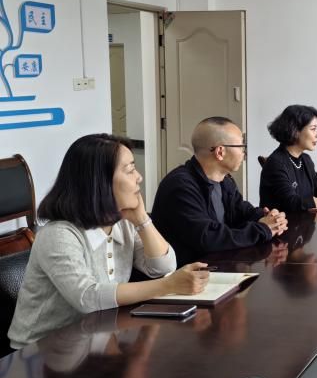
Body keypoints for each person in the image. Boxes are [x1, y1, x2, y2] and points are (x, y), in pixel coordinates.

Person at [7, 134, 209, 349]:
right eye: (130, 170)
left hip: (93, 339)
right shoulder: (58, 234)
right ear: (99, 181)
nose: (139, 177)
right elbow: (87, 298)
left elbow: (162, 267)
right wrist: (167, 285)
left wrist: (142, 219)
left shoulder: (123, 223)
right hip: (39, 351)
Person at [152, 117, 288, 264]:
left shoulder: (225, 180)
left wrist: (268, 217)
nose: (244, 153)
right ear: (220, 152)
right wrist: (263, 229)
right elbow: (208, 238)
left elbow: (242, 211)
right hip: (188, 272)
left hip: (218, 265)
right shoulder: (180, 186)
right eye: (241, 146)